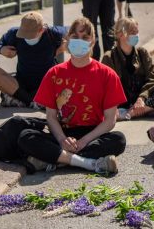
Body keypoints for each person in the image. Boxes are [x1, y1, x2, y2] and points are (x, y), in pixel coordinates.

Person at [16, 17, 126, 175]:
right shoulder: (54, 73)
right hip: (63, 133)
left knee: (119, 140)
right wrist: (62, 140)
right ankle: (88, 163)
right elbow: (51, 117)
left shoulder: (107, 74)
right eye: (75, 37)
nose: (79, 41)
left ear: (92, 42)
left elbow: (110, 121)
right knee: (25, 137)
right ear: (67, 40)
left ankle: (56, 159)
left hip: (92, 134)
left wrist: (84, 141)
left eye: (85, 37)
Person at [0, 11, 67, 108]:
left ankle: (23, 100)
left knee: (65, 80)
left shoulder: (53, 33)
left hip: (46, 82)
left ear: (42, 30)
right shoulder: (14, 33)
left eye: (30, 35)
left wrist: (63, 46)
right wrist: (2, 49)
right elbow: (0, 44)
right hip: (22, 82)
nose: (26, 37)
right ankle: (33, 102)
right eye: (24, 33)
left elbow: (74, 32)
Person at [101, 17, 154, 121]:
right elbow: (106, 87)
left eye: (137, 32)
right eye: (132, 32)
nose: (136, 35)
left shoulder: (142, 53)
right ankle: (135, 110)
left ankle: (133, 112)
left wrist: (141, 98)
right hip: (121, 104)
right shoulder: (109, 57)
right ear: (120, 34)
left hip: (143, 101)